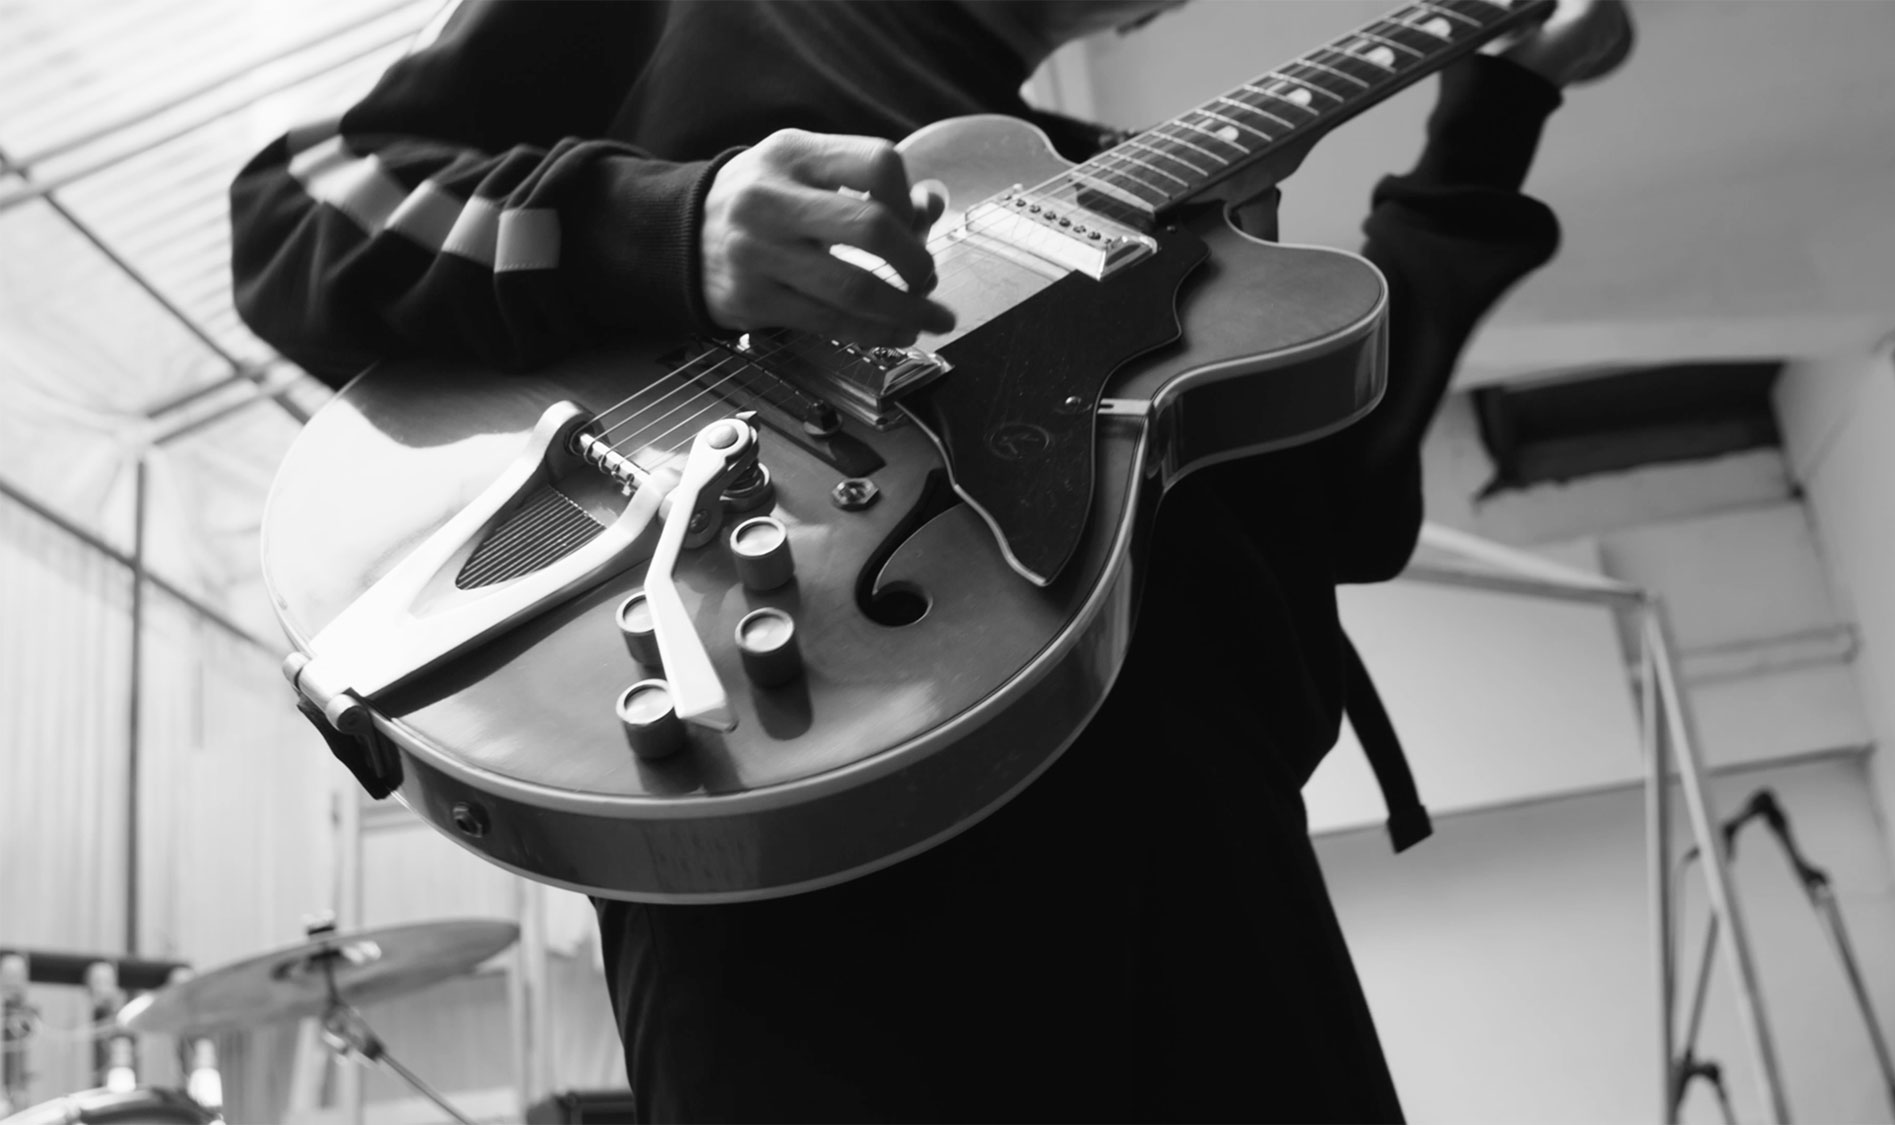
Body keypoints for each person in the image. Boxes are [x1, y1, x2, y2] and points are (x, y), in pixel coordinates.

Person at [231, 1, 1631, 1119]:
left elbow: (1343, 502)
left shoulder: (1138, 184)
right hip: (805, 852)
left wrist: (1495, 109)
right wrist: (675, 226)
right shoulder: (698, 17)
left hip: (1215, 864)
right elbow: (306, 209)